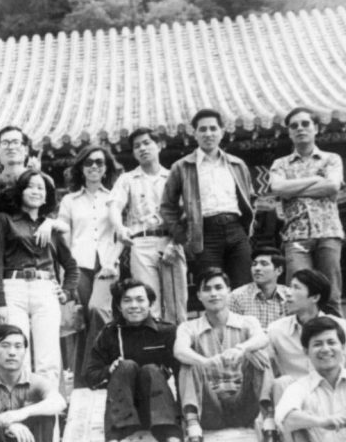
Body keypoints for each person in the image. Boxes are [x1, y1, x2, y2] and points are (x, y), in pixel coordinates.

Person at [261, 269, 346, 442]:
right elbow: (262, 361)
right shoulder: (277, 329)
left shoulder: (338, 325)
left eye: (296, 288)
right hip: (299, 399)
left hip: (334, 392)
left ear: (315, 297)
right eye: (289, 287)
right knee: (280, 382)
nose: (287, 293)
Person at [0, 168, 79, 382]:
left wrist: (66, 292)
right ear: (20, 191)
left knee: (49, 356)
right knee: (16, 351)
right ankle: (21, 401)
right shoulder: (4, 220)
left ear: (47, 196)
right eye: (30, 186)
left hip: (45, 289)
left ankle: (49, 402)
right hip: (13, 289)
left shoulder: (51, 227)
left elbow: (71, 267)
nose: (36, 191)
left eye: (41, 188)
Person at [174, 268, 271, 442]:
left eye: (219, 287)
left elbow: (262, 338)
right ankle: (194, 434)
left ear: (229, 291)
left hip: (244, 404)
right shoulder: (188, 326)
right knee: (189, 363)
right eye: (207, 289)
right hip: (209, 407)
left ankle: (270, 427)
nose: (213, 294)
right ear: (199, 295)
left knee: (259, 355)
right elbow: (179, 350)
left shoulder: (247, 321)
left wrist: (242, 349)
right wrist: (204, 362)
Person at [84, 279, 184, 442]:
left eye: (140, 299)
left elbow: (182, 374)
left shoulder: (167, 331)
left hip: (159, 409)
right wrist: (109, 371)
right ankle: (112, 440)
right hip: (122, 411)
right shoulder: (109, 334)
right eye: (127, 300)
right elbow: (90, 376)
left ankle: (173, 437)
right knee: (125, 366)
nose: (134, 305)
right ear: (119, 306)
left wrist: (184, 413)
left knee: (151, 369)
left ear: (150, 303)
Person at [160, 108, 256, 290]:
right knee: (212, 288)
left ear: (222, 132)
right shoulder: (182, 166)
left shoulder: (237, 164)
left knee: (244, 288)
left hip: (236, 231)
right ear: (195, 133)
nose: (208, 133)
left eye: (213, 128)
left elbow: (250, 199)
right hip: (204, 234)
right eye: (202, 129)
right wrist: (182, 237)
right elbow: (167, 206)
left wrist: (247, 228)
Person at [269, 106, 346, 315]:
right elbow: (278, 188)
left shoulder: (331, 159)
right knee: (297, 293)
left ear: (316, 128)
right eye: (294, 126)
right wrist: (315, 179)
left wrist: (293, 189)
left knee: (331, 293)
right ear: (289, 132)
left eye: (305, 124)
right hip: (295, 236)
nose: (300, 128)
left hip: (328, 232)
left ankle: (336, 332)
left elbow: (332, 186)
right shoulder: (280, 164)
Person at [109, 127, 188, 325]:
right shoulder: (127, 179)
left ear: (159, 145)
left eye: (147, 143)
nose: (142, 148)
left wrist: (175, 243)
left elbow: (186, 214)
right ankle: (151, 341)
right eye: (137, 146)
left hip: (171, 242)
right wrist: (120, 228)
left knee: (177, 304)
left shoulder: (174, 177)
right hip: (141, 243)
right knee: (146, 301)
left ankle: (179, 343)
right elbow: (114, 206)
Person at [58, 144, 122, 385]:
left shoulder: (115, 197)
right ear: (81, 168)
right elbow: (64, 237)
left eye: (99, 162)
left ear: (106, 168)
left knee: (98, 309)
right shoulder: (69, 200)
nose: (94, 166)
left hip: (108, 263)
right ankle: (82, 380)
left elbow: (122, 234)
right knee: (83, 319)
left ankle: (96, 370)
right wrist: (66, 271)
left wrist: (113, 261)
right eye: (88, 162)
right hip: (79, 265)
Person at [227, 246, 291, 329]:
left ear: (279, 270)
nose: (257, 268)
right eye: (254, 264)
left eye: (264, 264)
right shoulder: (237, 297)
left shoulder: (289, 296)